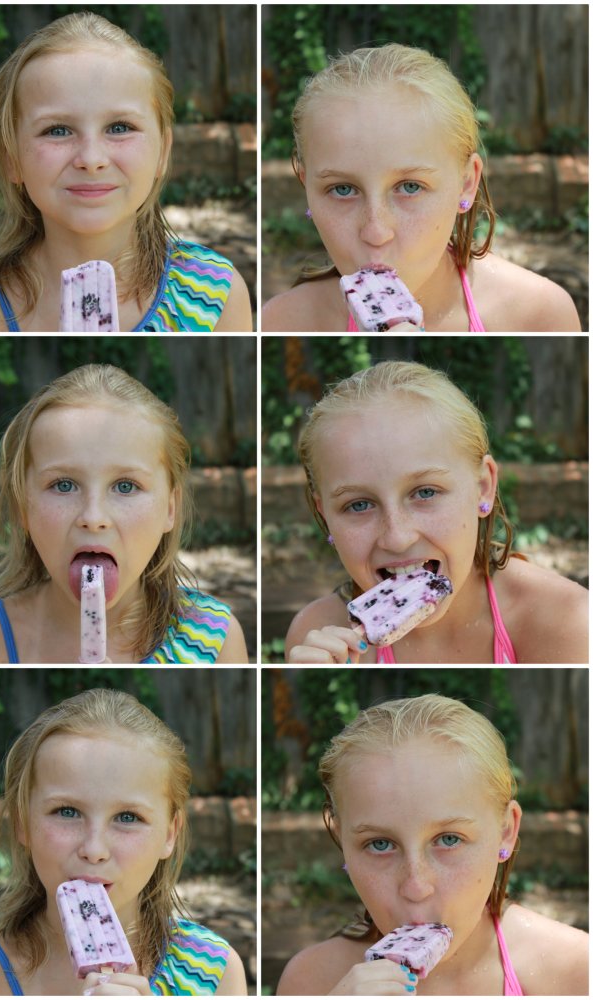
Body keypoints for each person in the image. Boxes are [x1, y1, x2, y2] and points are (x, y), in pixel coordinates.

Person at [0, 12, 253, 332]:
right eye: (58, 130)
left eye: (119, 127)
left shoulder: (216, 293)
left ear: (163, 152)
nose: (91, 159)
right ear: (11, 159)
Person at [0, 688, 249, 995]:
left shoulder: (213, 974)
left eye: (127, 817)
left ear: (170, 834)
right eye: (67, 811)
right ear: (22, 824)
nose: (94, 850)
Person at [277, 693, 588, 995]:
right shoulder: (311, 983)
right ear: (343, 840)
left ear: (506, 830)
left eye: (449, 839)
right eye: (380, 844)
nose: (415, 886)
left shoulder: (574, 971)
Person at [0, 363, 249, 663]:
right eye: (63, 485)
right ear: (23, 508)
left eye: (126, 486)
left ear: (170, 507)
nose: (93, 517)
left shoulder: (214, 642)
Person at [261, 44, 581, 332]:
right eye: (343, 189)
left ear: (466, 184)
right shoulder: (282, 321)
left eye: (410, 186)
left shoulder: (539, 315)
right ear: (307, 189)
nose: (375, 232)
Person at [285, 360, 588, 663]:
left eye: (425, 492)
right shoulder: (316, 636)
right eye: (359, 505)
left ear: (483, 487)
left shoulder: (566, 623)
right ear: (326, 516)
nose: (397, 538)